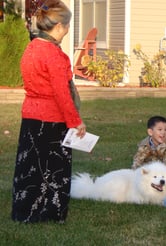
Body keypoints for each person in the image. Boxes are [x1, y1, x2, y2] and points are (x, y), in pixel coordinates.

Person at [11, 0, 86, 223]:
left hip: (31, 116)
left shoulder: (31, 47)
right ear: (60, 26)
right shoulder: (53, 54)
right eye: (68, 26)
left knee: (30, 166)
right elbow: (62, 94)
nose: (68, 30)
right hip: (52, 119)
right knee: (54, 168)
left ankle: (24, 211)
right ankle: (49, 213)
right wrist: (75, 122)